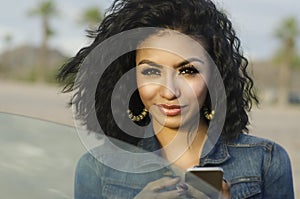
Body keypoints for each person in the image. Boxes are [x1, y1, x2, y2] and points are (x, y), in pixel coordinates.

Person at [57, 0, 294, 198]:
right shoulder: (97, 168)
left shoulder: (265, 160)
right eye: (151, 71)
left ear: (215, 76)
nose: (169, 91)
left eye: (188, 70)